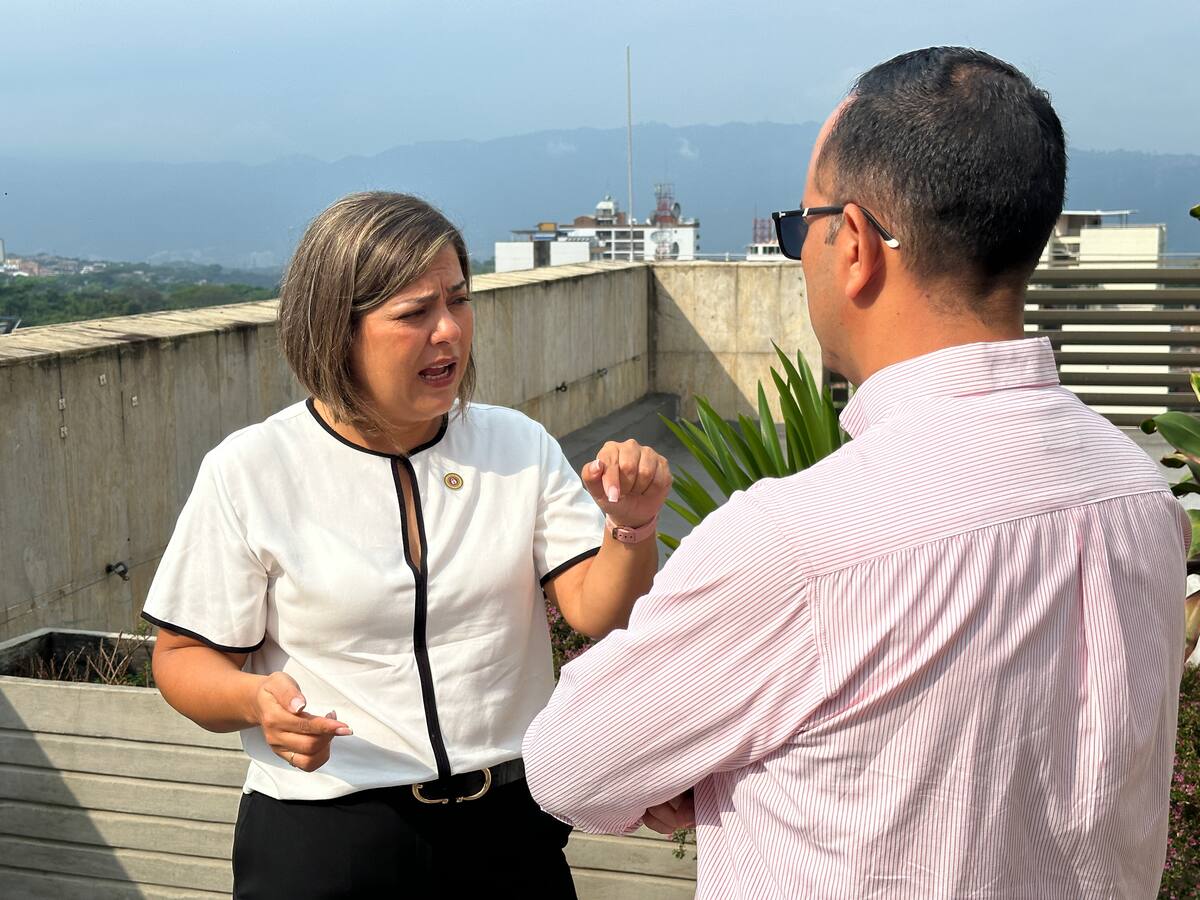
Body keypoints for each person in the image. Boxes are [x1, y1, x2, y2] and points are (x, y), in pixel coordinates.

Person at [523, 46, 1191, 898]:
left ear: (858, 248)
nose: (799, 252)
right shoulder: (1139, 494)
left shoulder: (797, 544)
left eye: (802, 226)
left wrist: (707, 772)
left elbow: (567, 765)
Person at [141, 192, 670, 898]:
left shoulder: (517, 445)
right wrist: (253, 699)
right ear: (338, 329)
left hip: (508, 832)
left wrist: (629, 527)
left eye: (459, 300)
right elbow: (181, 657)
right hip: (325, 836)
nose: (448, 331)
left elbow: (594, 610)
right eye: (415, 313)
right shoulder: (252, 470)